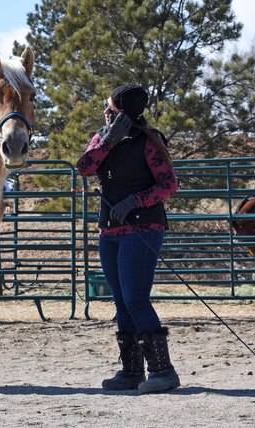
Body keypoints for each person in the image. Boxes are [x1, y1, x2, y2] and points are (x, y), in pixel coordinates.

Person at [77, 84, 179, 394]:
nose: (105, 112)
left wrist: (135, 201)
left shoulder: (148, 141)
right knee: (122, 302)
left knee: (135, 298)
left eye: (109, 107)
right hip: (109, 232)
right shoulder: (103, 138)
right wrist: (108, 140)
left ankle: (163, 370)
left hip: (142, 230)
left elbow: (168, 184)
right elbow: (84, 167)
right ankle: (131, 371)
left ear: (123, 113)